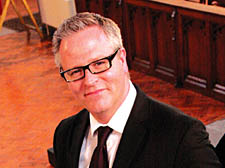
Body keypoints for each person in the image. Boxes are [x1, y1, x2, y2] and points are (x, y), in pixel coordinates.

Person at [52, 12, 222, 168]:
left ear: (122, 59)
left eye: (99, 63)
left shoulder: (181, 136)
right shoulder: (65, 133)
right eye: (75, 71)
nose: (89, 80)